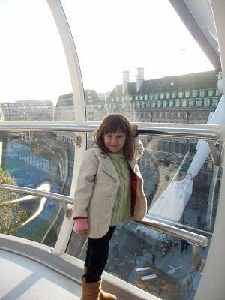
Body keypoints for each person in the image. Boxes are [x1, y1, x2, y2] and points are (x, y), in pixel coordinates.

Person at [73, 114, 147, 300]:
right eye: (109, 136)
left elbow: (139, 149)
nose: (113, 141)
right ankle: (90, 296)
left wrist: (135, 135)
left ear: (126, 138)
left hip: (114, 214)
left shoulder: (126, 155)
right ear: (102, 136)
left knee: (93, 252)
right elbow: (83, 186)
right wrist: (80, 215)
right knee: (99, 256)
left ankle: (93, 293)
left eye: (120, 136)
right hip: (99, 214)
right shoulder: (95, 155)